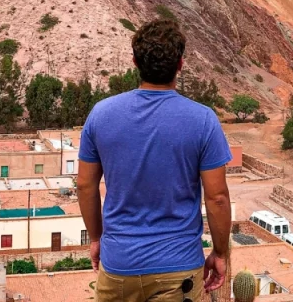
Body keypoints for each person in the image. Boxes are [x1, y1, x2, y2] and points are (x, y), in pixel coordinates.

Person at [77, 19, 232, 302]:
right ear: (180, 64)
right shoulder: (203, 119)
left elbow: (85, 186)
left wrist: (97, 238)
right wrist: (220, 253)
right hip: (179, 269)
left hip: (119, 265)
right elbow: (217, 197)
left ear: (135, 61)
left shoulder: (101, 114)